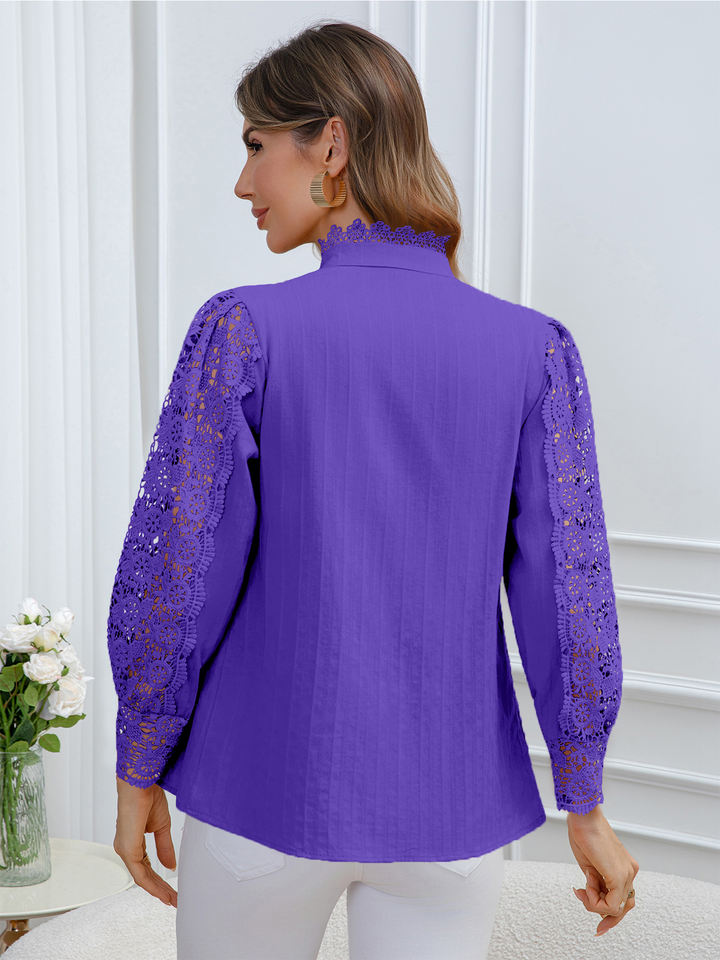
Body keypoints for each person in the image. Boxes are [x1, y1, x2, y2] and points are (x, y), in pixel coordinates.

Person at [108, 20, 639, 960]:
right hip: (452, 816)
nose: (242, 183)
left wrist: (137, 766)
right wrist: (585, 802)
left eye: (256, 146)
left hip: (262, 795)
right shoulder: (534, 350)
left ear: (332, 144)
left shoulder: (244, 332)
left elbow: (180, 580)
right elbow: (570, 602)